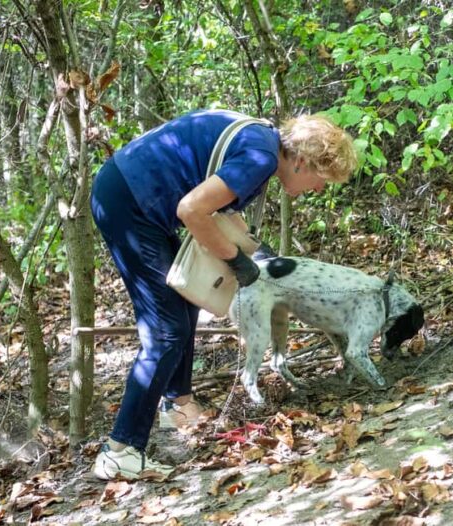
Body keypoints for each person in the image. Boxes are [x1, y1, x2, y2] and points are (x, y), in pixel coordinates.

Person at [90, 109, 357, 480]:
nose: (319, 189)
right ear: (300, 161)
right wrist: (236, 261)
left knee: (181, 310)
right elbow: (191, 209)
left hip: (136, 194)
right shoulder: (260, 158)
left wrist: (254, 255)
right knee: (165, 329)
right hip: (129, 202)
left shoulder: (263, 144)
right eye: (321, 178)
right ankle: (119, 452)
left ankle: (178, 406)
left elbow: (214, 209)